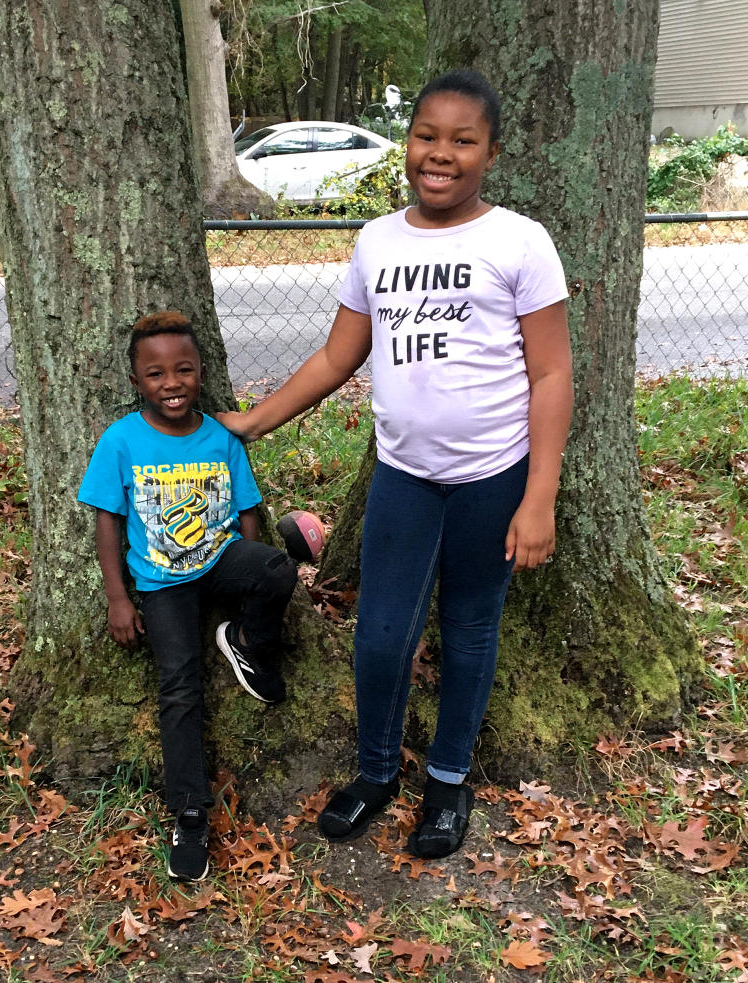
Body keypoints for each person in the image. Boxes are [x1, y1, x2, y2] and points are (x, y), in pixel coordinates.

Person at [219, 69, 573, 859]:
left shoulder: (519, 241)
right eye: (426, 135)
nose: (439, 154)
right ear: (407, 140)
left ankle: (448, 782)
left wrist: (539, 493)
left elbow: (552, 373)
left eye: (462, 140)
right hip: (405, 478)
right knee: (380, 635)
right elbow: (337, 355)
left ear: (491, 151)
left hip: (493, 479)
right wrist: (250, 422)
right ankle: (377, 772)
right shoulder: (378, 241)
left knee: (471, 629)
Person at [78, 311, 298, 881]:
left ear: (202, 372)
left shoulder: (220, 436)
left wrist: (247, 583)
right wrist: (118, 599)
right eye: (155, 374)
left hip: (219, 560)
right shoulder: (121, 440)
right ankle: (191, 813)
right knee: (180, 687)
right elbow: (107, 522)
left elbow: (247, 513)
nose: (170, 383)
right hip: (159, 582)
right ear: (136, 383)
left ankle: (247, 643)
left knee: (276, 565)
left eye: (183, 370)